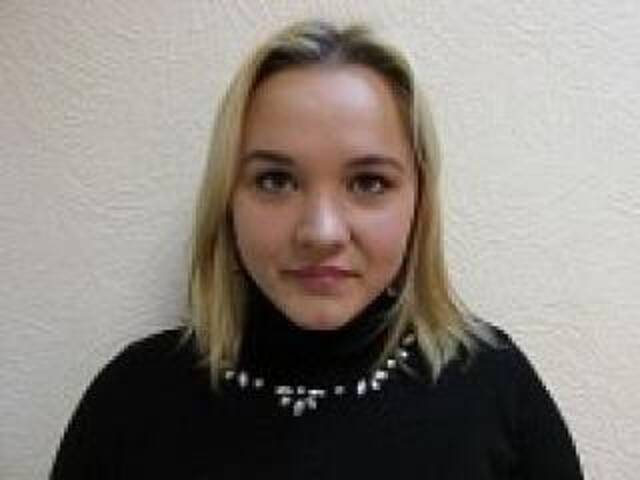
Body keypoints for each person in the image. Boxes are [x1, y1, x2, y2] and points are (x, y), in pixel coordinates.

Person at [50, 19, 584, 479]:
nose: (322, 232)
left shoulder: (494, 388)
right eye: (276, 180)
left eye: (369, 182)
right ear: (226, 199)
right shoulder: (133, 400)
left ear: (419, 203)